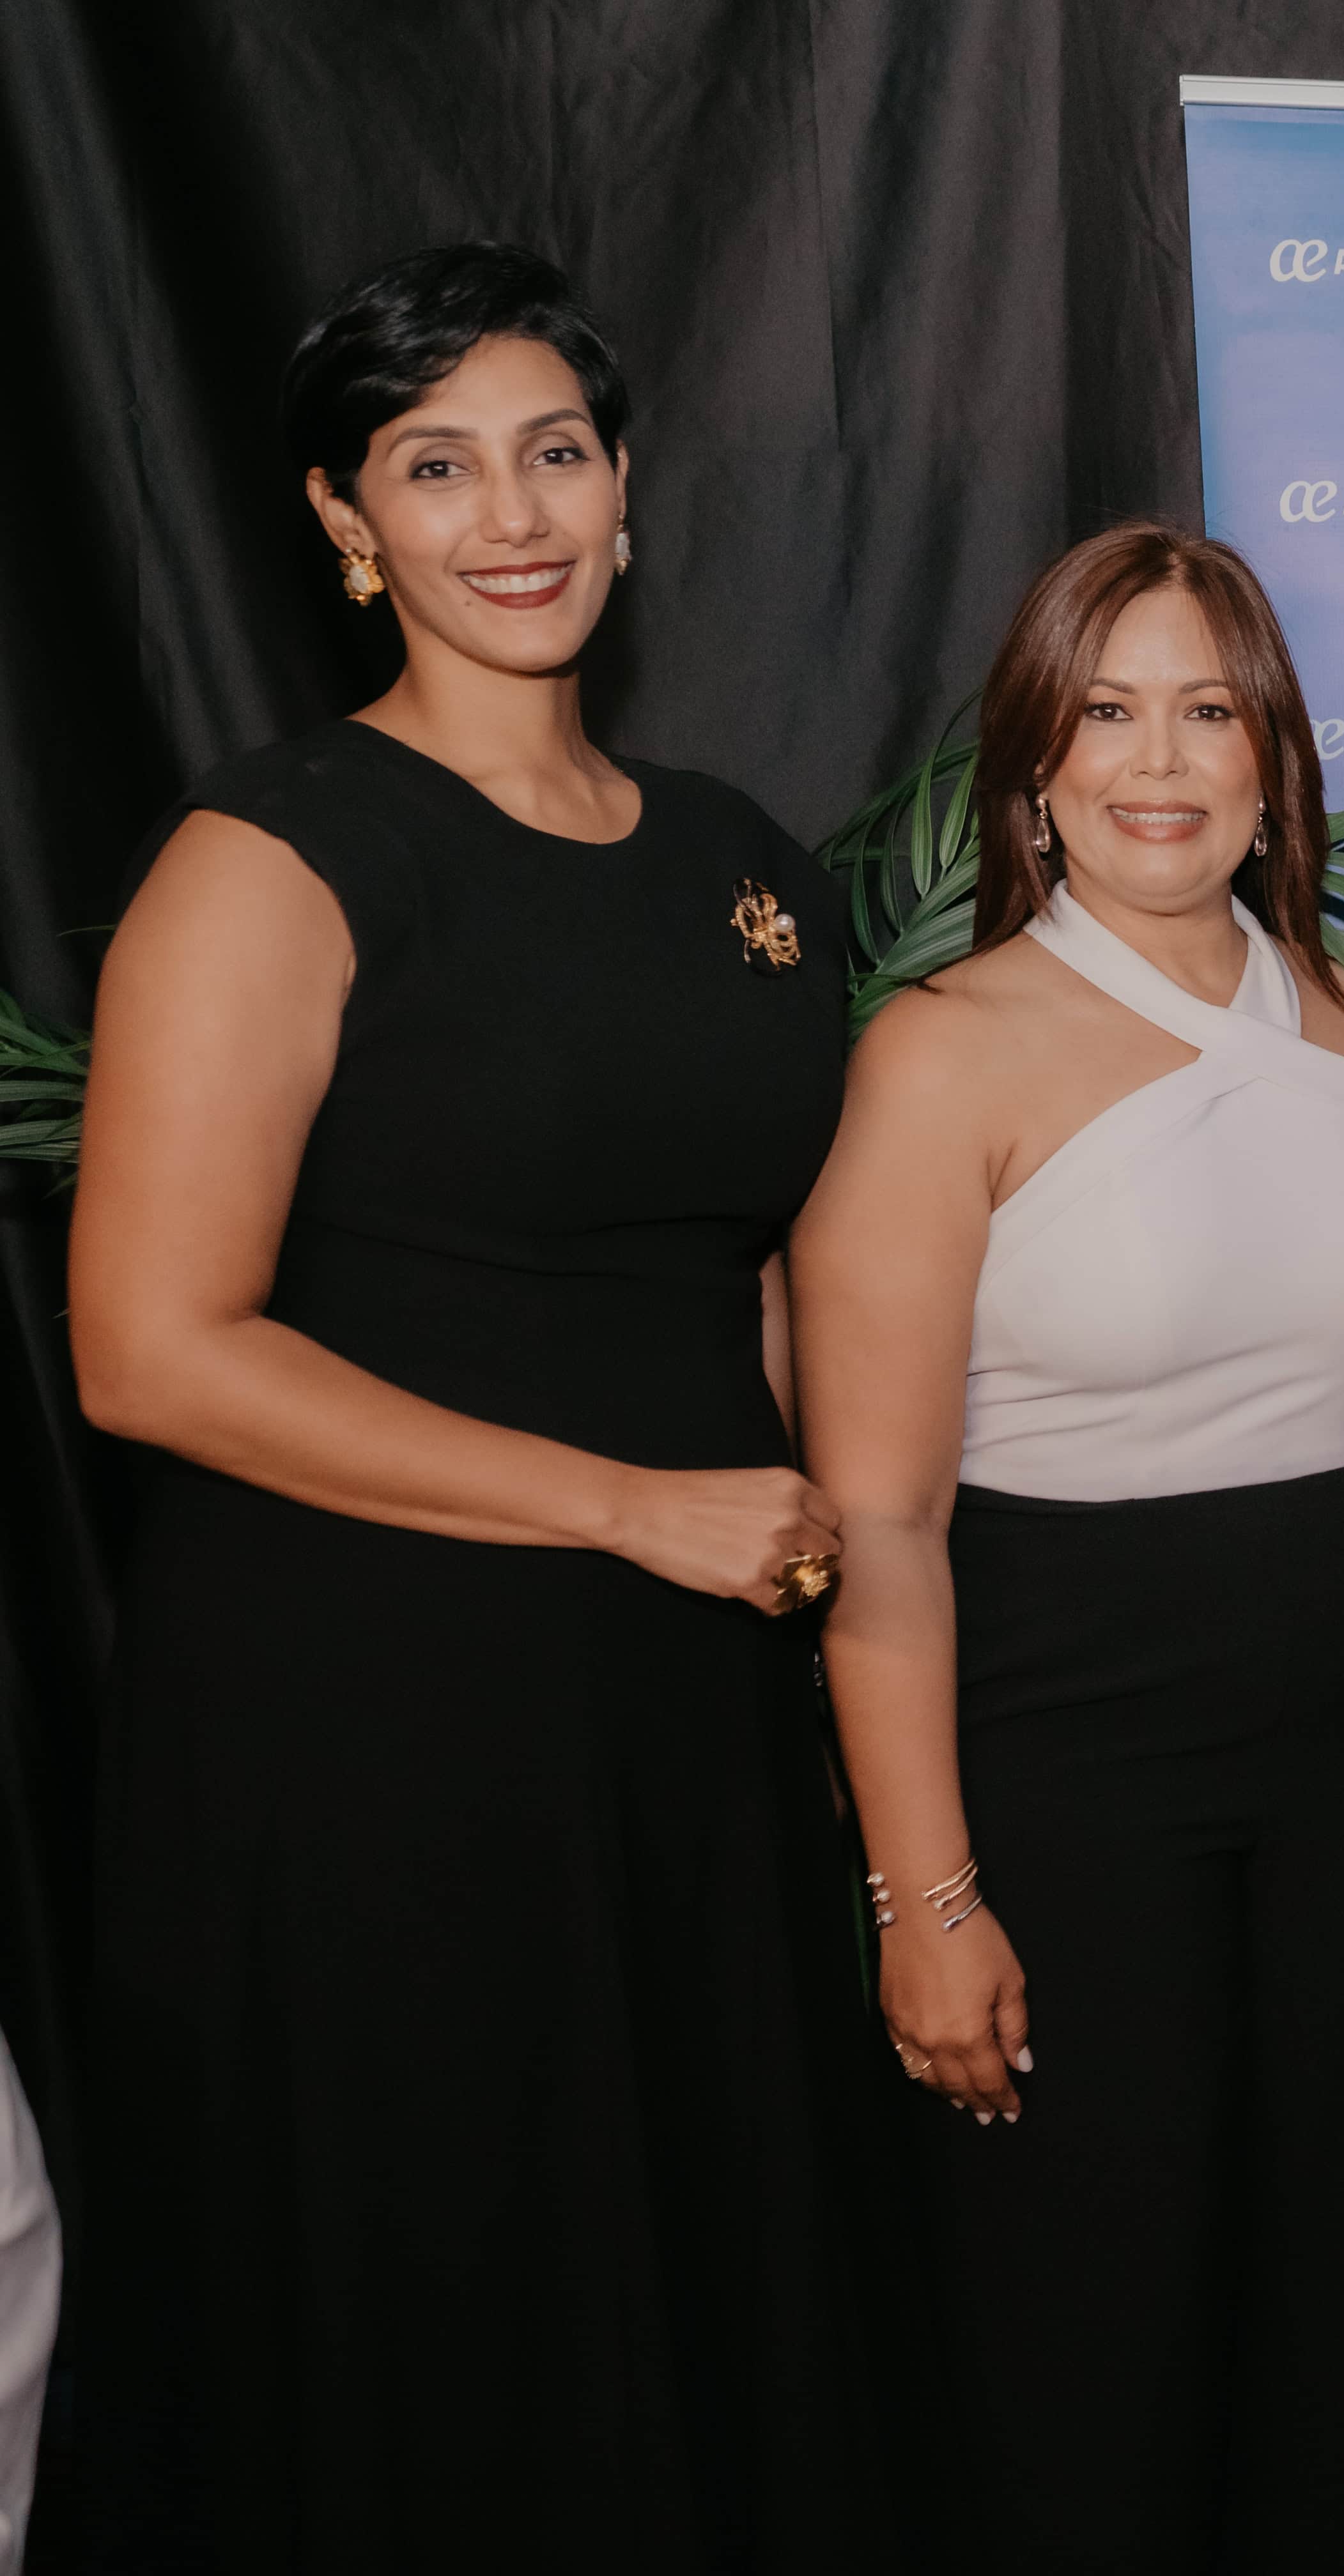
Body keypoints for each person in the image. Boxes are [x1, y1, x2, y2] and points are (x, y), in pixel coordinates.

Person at [66, 241, 883, 2563]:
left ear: (627, 492)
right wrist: (629, 1506)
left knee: (677, 2288)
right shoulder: (275, 855)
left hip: (685, 1702)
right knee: (431, 2296)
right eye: (436, 466)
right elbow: (150, 1351)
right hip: (374, 1711)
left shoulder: (746, 865)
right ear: (348, 523)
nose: (508, 512)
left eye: (554, 451)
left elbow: (767, 1281)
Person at [789, 523, 1344, 2567]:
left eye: (1207, 708)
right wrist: (924, 1893)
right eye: (1108, 711)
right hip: (1066, 1754)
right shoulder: (942, 1057)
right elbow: (887, 1523)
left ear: (1275, 757)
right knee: (1087, 2337)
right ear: (1035, 764)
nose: (1159, 759)